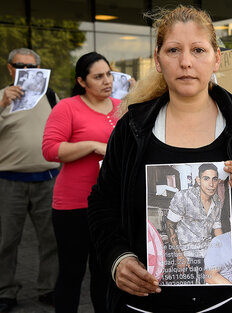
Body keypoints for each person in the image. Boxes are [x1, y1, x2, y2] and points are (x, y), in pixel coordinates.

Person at [87, 5, 232, 313]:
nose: (186, 62)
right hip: (149, 303)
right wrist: (117, 257)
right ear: (158, 59)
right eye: (174, 50)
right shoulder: (133, 128)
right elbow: (102, 203)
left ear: (216, 58)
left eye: (198, 50)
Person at [42, 51, 120, 313]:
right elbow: (51, 150)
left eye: (108, 74)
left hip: (110, 206)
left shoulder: (123, 107)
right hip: (73, 206)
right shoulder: (68, 107)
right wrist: (92, 146)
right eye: (98, 77)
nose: (107, 80)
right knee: (71, 274)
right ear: (82, 81)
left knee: (105, 275)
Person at [0, 48, 59, 312]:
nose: (27, 72)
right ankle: (5, 291)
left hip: (47, 179)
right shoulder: (1, 97)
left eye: (32, 67)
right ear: (10, 68)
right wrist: (2, 103)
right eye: (20, 66)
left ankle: (48, 288)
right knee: (6, 240)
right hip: (9, 180)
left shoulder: (50, 96)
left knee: (51, 239)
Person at [166, 163, 223, 284]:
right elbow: (169, 225)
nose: (211, 184)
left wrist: (223, 250)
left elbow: (216, 226)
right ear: (198, 180)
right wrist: (179, 256)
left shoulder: (217, 201)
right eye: (206, 178)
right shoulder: (183, 197)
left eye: (214, 179)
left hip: (208, 253)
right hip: (186, 254)